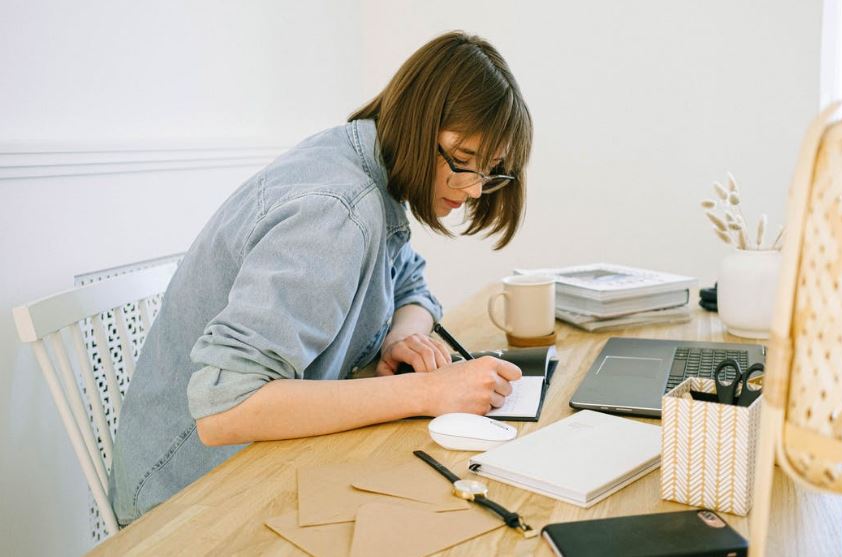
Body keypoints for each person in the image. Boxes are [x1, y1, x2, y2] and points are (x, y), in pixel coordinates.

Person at [109, 30, 532, 525]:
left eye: (490, 173)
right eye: (462, 163)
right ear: (420, 122)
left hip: (261, 462)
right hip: (188, 498)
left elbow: (410, 282)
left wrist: (405, 338)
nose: (475, 190)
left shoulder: (368, 166)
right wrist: (428, 392)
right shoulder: (337, 209)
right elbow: (225, 407)